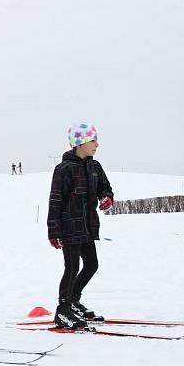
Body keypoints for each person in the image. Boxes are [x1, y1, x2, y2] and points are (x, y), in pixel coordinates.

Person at [47, 123, 113, 329]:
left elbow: (105, 187)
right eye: (93, 140)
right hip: (69, 227)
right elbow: (55, 200)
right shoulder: (64, 169)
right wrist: (53, 230)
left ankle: (73, 300)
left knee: (92, 264)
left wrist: (107, 197)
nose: (97, 144)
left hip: (88, 226)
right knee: (72, 267)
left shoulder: (95, 167)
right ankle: (63, 310)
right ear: (80, 143)